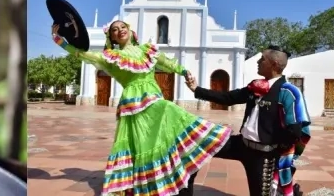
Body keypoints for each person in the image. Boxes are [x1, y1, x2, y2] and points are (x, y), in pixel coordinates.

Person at [52, 20, 231, 196]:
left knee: (166, 122)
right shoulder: (111, 58)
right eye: (114, 30)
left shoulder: (148, 51)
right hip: (133, 103)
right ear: (112, 37)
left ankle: (170, 171)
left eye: (123, 27)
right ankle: (145, 185)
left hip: (154, 97)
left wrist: (185, 73)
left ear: (130, 31)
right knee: (143, 141)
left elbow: (169, 63)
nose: (119, 30)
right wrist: (59, 40)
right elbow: (82, 55)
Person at [185, 46, 310, 196]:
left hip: (263, 155)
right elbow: (229, 98)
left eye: (262, 59)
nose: (258, 61)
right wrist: (196, 89)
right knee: (200, 145)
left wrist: (274, 151)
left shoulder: (289, 92)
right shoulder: (255, 86)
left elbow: (294, 130)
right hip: (241, 145)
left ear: (274, 64)